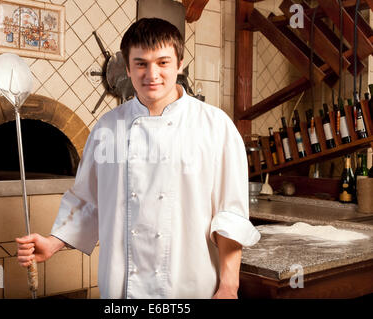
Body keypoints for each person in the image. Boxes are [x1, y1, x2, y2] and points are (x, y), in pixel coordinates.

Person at [16, 17, 260, 299]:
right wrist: (53, 243)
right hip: (122, 287)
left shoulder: (215, 125)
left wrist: (229, 286)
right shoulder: (108, 127)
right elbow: (88, 200)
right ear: (128, 68)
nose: (152, 74)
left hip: (191, 284)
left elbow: (229, 214)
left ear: (179, 64)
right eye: (141, 63)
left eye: (163, 62)